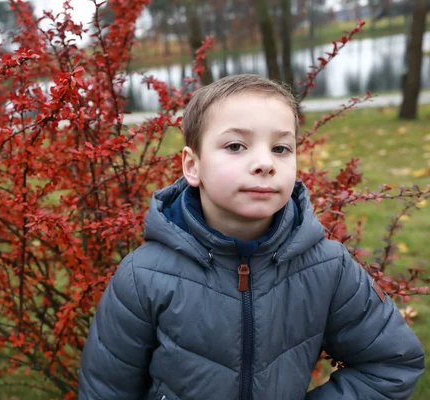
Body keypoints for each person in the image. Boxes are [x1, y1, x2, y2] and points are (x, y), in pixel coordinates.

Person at [78, 74, 425, 400]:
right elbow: (105, 390)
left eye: (280, 149)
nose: (264, 163)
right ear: (192, 166)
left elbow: (392, 362)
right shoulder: (143, 276)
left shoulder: (328, 268)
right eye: (235, 146)